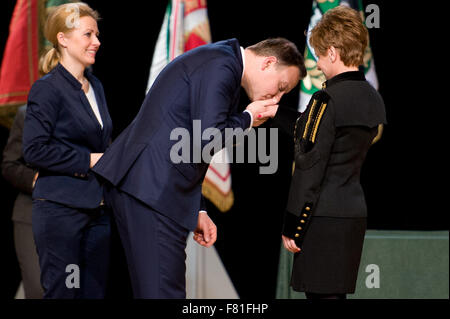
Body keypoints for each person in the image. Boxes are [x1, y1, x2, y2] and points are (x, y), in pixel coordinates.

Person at [92, 37, 305, 298]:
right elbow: (209, 137)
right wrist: (248, 117)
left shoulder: (221, 61)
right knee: (163, 294)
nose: (278, 98)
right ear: (268, 62)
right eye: (281, 87)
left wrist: (199, 208)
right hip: (152, 190)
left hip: (151, 188)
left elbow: (191, 143)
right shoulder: (222, 65)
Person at [275, 5, 386, 299]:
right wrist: (276, 112)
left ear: (333, 53)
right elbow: (314, 129)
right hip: (353, 216)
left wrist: (292, 224)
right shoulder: (373, 99)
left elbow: (309, 168)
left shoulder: (325, 99)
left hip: (321, 220)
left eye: (319, 55)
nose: (319, 64)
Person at [22, 2, 113, 298]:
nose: (96, 42)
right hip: (62, 213)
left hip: (97, 211)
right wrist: (89, 160)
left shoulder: (96, 86)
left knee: (92, 294)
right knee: (65, 293)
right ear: (63, 39)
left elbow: (102, 142)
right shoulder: (47, 88)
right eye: (88, 34)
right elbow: (34, 150)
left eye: (97, 35)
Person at [2, 105, 43, 299]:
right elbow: (10, 165)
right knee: (38, 288)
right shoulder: (27, 114)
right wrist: (38, 180)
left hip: (74, 221)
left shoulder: (92, 115)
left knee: (72, 285)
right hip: (31, 216)